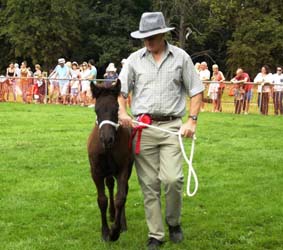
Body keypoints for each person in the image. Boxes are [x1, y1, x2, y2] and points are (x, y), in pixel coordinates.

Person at [118, 12, 204, 249]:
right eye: (144, 37)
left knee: (172, 179)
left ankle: (173, 222)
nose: (147, 41)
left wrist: (192, 121)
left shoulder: (181, 57)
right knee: (149, 185)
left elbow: (196, 91)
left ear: (163, 34)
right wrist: (123, 113)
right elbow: (121, 92)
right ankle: (156, 234)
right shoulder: (134, 60)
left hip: (171, 127)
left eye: (152, 37)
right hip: (142, 128)